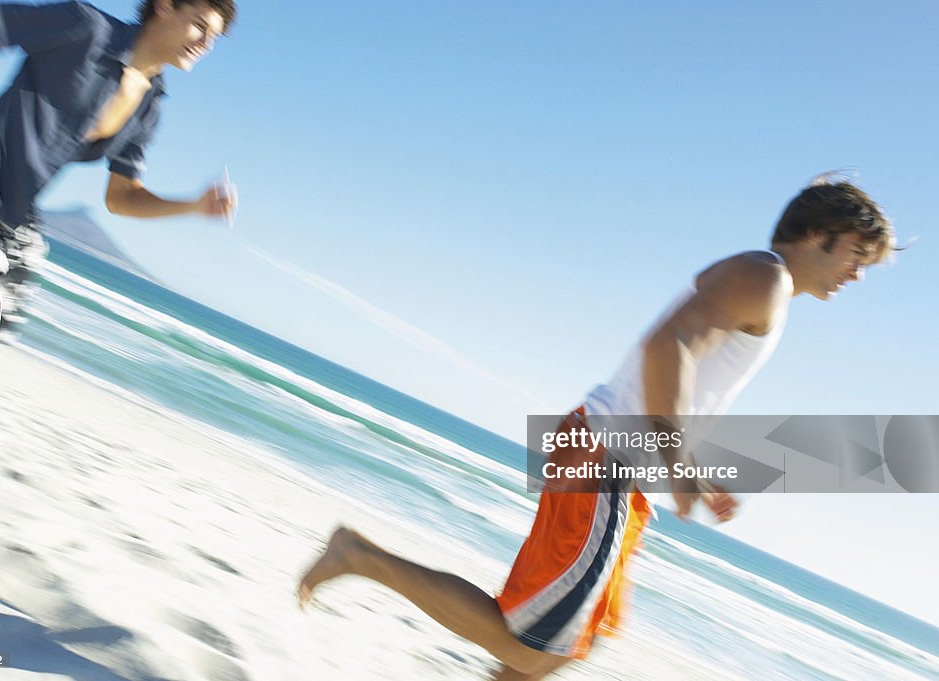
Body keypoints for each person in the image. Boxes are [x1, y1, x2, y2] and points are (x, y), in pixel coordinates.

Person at [297, 177, 897, 680]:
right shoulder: (764, 278)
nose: (858, 275)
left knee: (580, 635)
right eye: (857, 255)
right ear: (820, 234)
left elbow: (680, 368)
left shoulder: (766, 286)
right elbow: (668, 349)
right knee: (530, 645)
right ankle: (359, 556)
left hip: (613, 461)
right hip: (607, 455)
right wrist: (681, 465)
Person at [0, 0, 237, 387]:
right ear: (166, 7)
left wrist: (193, 206)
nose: (206, 43)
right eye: (200, 26)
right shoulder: (87, 28)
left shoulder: (149, 105)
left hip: (17, 214)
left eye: (214, 37)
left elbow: (121, 197)